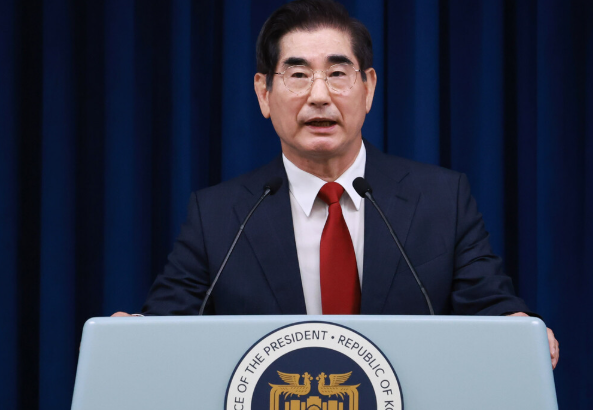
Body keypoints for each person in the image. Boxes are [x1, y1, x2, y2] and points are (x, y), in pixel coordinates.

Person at [113, 0, 559, 369]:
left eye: (338, 73)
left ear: (368, 88)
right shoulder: (218, 218)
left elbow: (490, 306)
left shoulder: (442, 200)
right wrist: (134, 337)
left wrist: (517, 327)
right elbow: (167, 327)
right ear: (264, 93)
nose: (319, 95)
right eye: (298, 75)